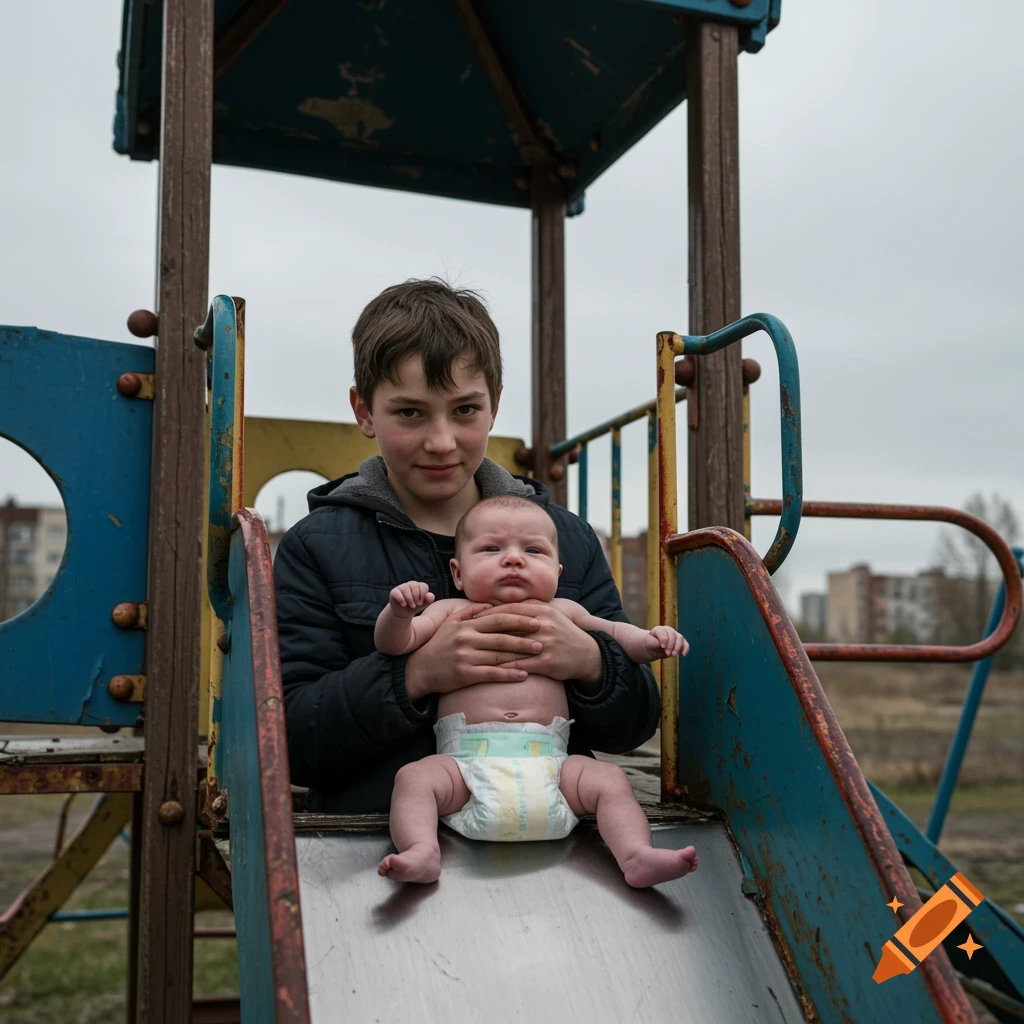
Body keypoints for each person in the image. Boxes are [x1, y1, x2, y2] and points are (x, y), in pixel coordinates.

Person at [274, 278, 661, 816]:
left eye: (464, 410)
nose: (441, 441)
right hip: (370, 841)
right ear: (364, 411)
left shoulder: (564, 538)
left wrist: (591, 663)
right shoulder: (316, 547)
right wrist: (415, 676)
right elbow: (289, 742)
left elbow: (636, 724)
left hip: (542, 833)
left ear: (494, 405)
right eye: (410, 412)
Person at [374, 495, 697, 887]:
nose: (513, 559)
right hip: (464, 767)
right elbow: (397, 644)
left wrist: (651, 641)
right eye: (492, 549)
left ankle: (635, 855)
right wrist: (399, 613)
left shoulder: (565, 610)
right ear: (458, 573)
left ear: (557, 572)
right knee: (413, 780)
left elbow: (616, 636)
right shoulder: (449, 611)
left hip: (554, 768)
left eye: (533, 550)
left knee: (610, 781)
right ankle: (421, 850)